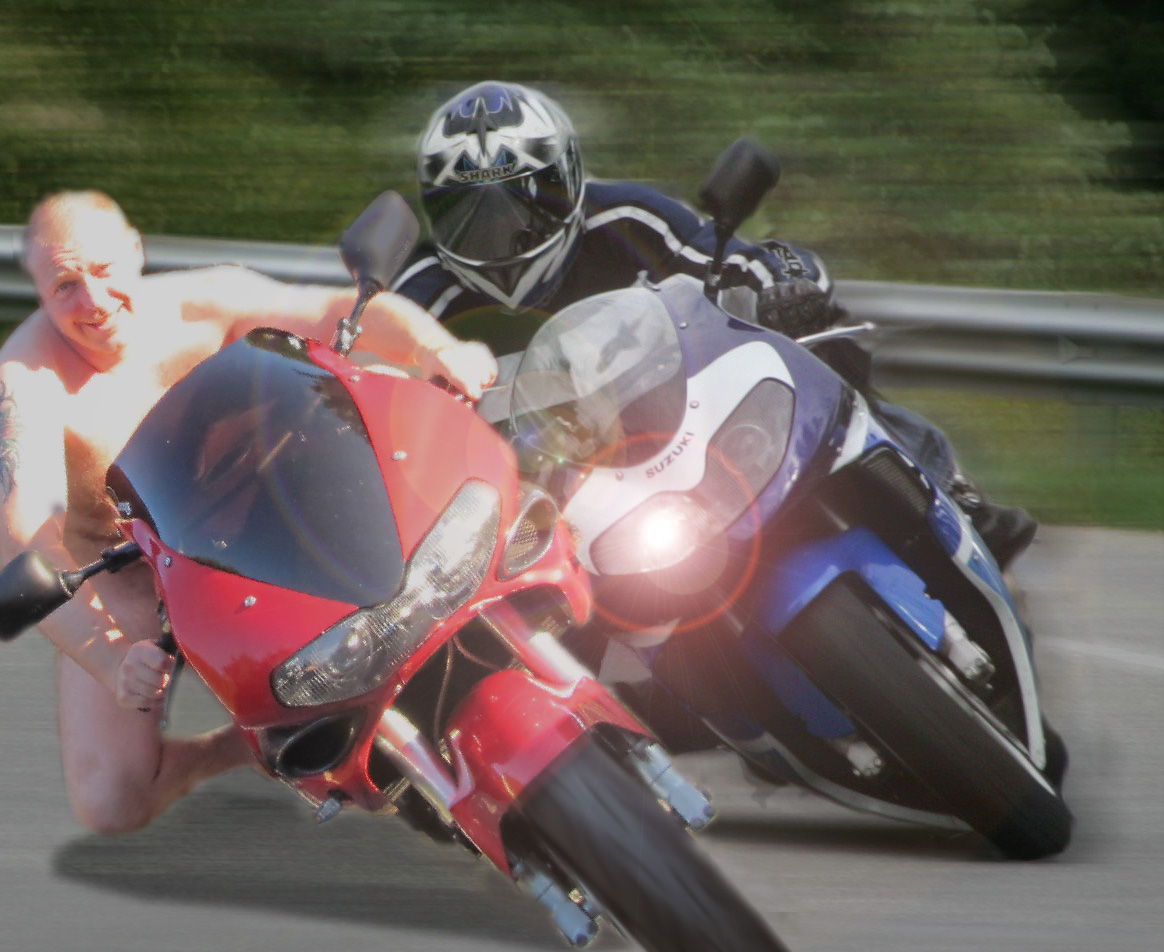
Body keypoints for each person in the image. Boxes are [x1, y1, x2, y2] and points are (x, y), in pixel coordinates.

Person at [0, 189, 497, 834]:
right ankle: (251, 746)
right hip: (128, 564)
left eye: (102, 270)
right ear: (39, 292)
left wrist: (436, 349)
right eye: (65, 285)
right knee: (111, 800)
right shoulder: (25, 380)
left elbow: (333, 311)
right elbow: (25, 533)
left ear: (135, 251)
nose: (93, 301)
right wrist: (112, 657)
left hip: (269, 505)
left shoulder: (206, 299)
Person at [391, 80, 1036, 568]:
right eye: (471, 216)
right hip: (547, 490)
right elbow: (371, 383)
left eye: (527, 205)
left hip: (680, 410)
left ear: (570, 180)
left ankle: (948, 493)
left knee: (819, 349)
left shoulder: (626, 218)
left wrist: (775, 288)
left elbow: (726, 256)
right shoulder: (419, 294)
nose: (501, 235)